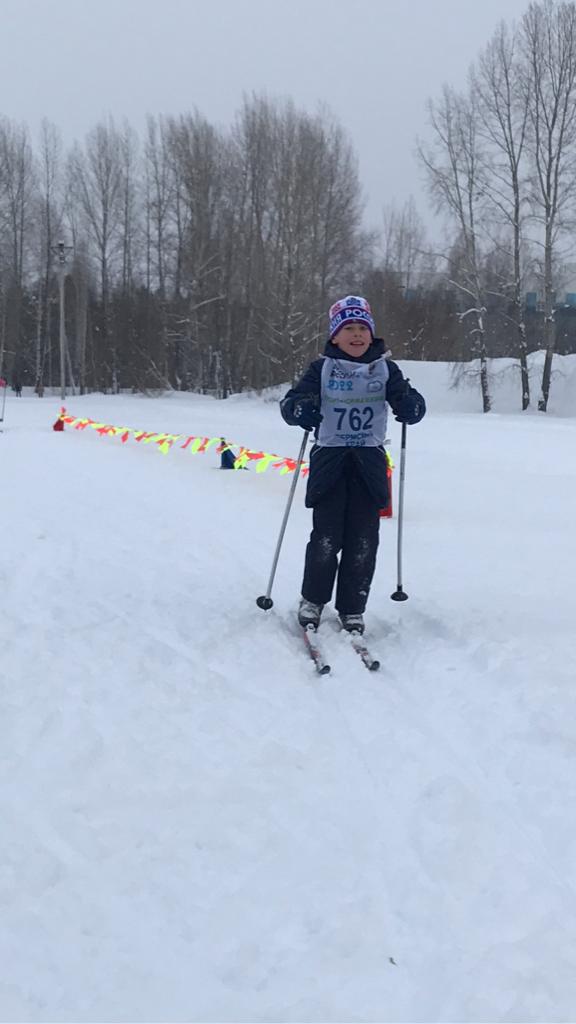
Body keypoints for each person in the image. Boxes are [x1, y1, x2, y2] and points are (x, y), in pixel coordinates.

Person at [280, 295, 426, 634]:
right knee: (326, 539)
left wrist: (411, 405)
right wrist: (300, 409)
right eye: (349, 329)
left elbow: (406, 397)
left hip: (369, 464)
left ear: (371, 334)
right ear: (335, 337)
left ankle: (353, 607)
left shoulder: (385, 368)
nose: (357, 335)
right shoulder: (322, 368)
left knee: (364, 540)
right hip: (330, 462)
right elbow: (292, 402)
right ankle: (313, 599)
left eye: (363, 328)